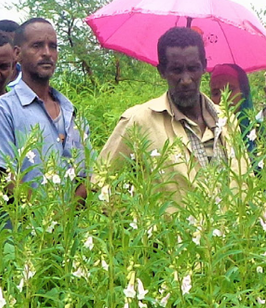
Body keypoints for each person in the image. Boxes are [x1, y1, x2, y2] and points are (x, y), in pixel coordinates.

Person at [99, 27, 239, 194]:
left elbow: (244, 181)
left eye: (193, 68)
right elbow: (100, 180)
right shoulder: (139, 121)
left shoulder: (226, 119)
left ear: (204, 67)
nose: (186, 80)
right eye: (176, 70)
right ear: (162, 71)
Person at [0, 18, 87, 196]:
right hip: (22, 222)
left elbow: (87, 175)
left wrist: (66, 217)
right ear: (17, 54)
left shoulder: (71, 111)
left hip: (70, 222)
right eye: (37, 45)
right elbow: (4, 176)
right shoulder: (2, 110)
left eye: (52, 46)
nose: (47, 53)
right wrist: (44, 219)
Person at [209, 63, 254, 135]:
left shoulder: (259, 132)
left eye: (229, 90)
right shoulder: (210, 133)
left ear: (244, 91)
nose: (223, 97)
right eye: (216, 93)